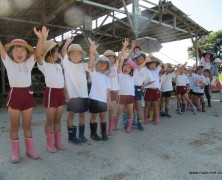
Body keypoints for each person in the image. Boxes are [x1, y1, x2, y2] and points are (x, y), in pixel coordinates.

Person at [0, 38, 39, 162]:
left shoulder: (29, 63)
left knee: (27, 125)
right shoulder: (8, 63)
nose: (19, 52)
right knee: (14, 126)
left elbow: (38, 52)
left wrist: (42, 38)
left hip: (27, 96)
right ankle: (15, 153)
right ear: (11, 54)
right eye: (16, 50)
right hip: (15, 96)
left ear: (27, 54)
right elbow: (1, 50)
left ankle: (30, 150)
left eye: (22, 50)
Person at [34, 26, 65, 153]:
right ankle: (49, 143)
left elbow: (63, 81)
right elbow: (38, 54)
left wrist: (66, 93)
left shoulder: (59, 65)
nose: (57, 52)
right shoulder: (44, 65)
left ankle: (57, 141)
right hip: (51, 93)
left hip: (61, 93)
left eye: (57, 50)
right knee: (50, 120)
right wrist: (42, 39)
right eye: (55, 50)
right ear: (49, 53)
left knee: (58, 119)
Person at [60, 37, 95, 144]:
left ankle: (81, 134)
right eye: (73, 54)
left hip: (83, 94)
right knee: (71, 115)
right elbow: (62, 53)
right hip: (72, 95)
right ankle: (71, 137)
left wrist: (92, 51)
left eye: (78, 54)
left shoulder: (83, 65)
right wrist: (67, 43)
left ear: (81, 56)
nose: (76, 56)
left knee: (82, 115)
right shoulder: (67, 64)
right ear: (69, 55)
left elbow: (91, 64)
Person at [88, 55, 111, 141]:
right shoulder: (94, 73)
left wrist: (109, 100)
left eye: (105, 63)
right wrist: (92, 52)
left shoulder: (106, 78)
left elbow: (108, 90)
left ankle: (104, 133)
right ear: (97, 65)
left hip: (103, 100)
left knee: (103, 116)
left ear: (107, 67)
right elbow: (90, 65)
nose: (102, 64)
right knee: (93, 116)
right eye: (100, 62)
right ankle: (93, 134)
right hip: (94, 98)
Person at [133, 51, 154, 129]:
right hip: (130, 88)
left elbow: (152, 80)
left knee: (138, 106)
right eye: (137, 59)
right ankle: (130, 122)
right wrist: (145, 61)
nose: (138, 60)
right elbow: (138, 68)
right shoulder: (134, 67)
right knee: (130, 107)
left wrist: (144, 85)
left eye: (141, 59)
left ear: (144, 59)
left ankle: (139, 122)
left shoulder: (146, 71)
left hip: (138, 88)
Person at [103, 49, 120, 135]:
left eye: (112, 57)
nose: (110, 59)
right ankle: (103, 128)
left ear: (114, 59)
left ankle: (110, 128)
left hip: (114, 90)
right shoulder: (103, 67)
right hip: (104, 91)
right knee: (103, 111)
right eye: (108, 57)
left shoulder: (115, 65)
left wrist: (124, 47)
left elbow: (120, 57)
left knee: (111, 110)